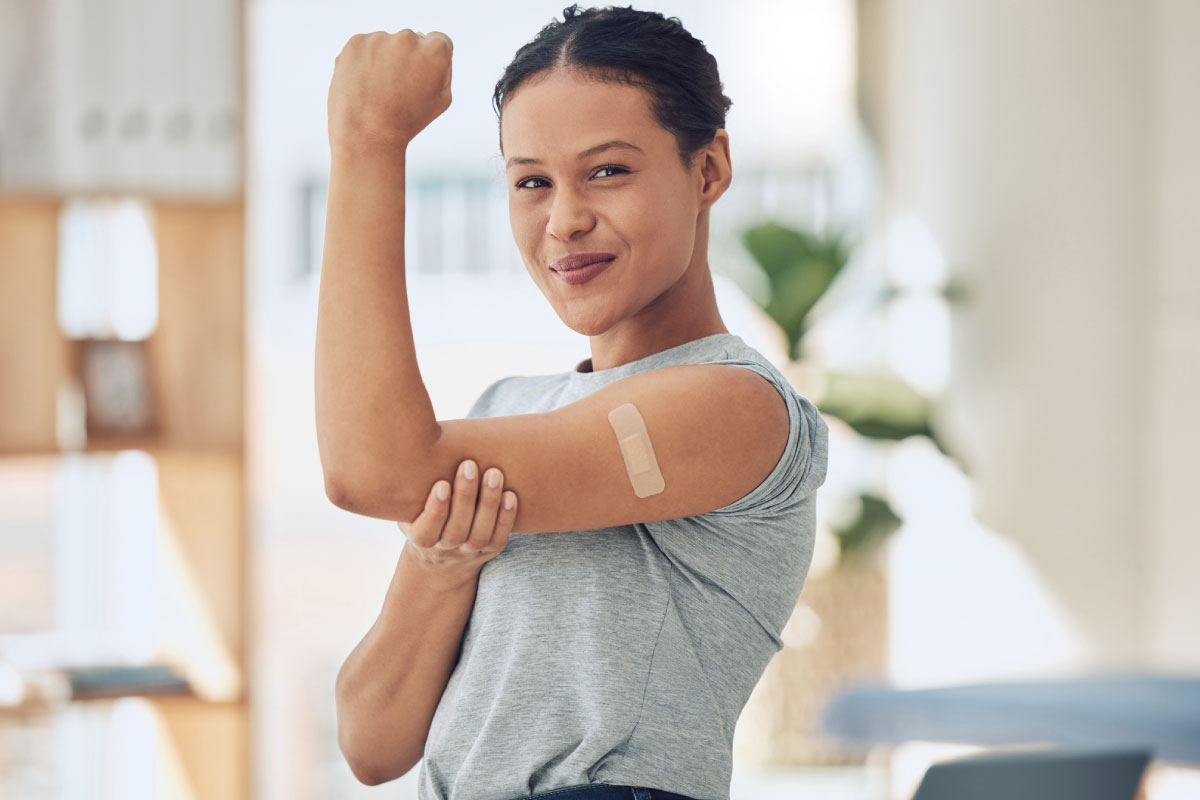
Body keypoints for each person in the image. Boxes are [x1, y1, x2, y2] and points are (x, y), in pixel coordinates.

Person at [316, 5, 830, 800]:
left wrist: (367, 144)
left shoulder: (736, 405)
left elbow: (369, 469)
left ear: (709, 170)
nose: (565, 220)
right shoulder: (503, 412)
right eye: (532, 181)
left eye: (607, 171)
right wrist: (438, 566)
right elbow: (371, 743)